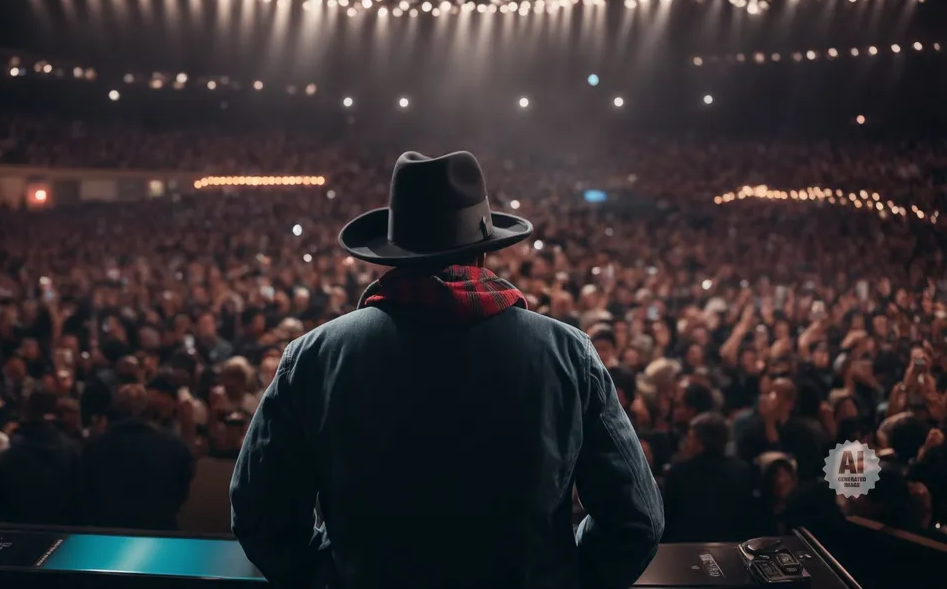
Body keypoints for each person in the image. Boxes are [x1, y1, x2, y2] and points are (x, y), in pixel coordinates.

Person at [231, 151, 664, 589]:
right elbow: (636, 520)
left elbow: (258, 513)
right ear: (484, 250)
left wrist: (326, 576)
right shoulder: (569, 354)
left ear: (392, 253)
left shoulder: (313, 356)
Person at [80, 382, 194, 530]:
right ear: (147, 410)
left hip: (108, 531)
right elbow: (182, 490)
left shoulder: (95, 446)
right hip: (160, 530)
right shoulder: (174, 445)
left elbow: (86, 493)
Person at [662, 412, 757, 542]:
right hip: (732, 548)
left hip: (686, 549)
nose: (687, 443)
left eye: (690, 438)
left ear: (699, 442)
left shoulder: (679, 472)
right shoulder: (742, 470)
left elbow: (668, 518)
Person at [0, 389, 81, 524]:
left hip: (19, 533)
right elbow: (78, 502)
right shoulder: (70, 450)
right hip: (61, 533)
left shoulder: (8, 456)